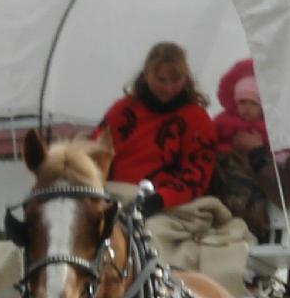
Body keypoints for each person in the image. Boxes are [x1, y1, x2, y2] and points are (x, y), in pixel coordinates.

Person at [93, 41, 217, 210]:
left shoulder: (196, 119)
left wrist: (161, 199)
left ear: (186, 78)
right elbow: (94, 151)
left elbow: (197, 174)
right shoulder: (123, 110)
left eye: (176, 80)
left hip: (166, 204)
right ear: (146, 74)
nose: (168, 87)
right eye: (161, 80)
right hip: (112, 195)